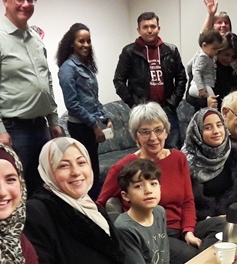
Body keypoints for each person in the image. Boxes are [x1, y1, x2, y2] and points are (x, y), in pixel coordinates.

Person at [24, 138, 133, 264]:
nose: (76, 172)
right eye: (64, 166)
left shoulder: (92, 207)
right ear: (48, 170)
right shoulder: (37, 211)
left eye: (81, 163)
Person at [0, 0, 61, 191]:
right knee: (16, 189)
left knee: (44, 186)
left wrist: (53, 119)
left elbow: (46, 80)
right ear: (6, 0)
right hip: (13, 128)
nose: (26, 4)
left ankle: (37, 226)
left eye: (31, 0)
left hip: (40, 125)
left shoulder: (35, 37)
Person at [96, 102, 207, 264]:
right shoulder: (124, 167)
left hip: (182, 228)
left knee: (223, 229)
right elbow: (100, 205)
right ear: (136, 136)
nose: (153, 138)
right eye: (145, 132)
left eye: (158, 129)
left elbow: (187, 201)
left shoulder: (178, 158)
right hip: (153, 236)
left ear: (166, 131)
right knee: (195, 257)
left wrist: (189, 231)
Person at [112, 11, 187, 149]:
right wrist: (134, 104)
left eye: (153, 26)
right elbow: (119, 81)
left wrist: (172, 103)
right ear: (138, 30)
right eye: (145, 27)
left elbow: (181, 78)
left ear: (158, 28)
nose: (149, 30)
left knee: (173, 149)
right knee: (147, 151)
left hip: (166, 109)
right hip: (143, 111)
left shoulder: (170, 50)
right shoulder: (129, 52)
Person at [56, 22, 110, 197]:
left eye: (88, 41)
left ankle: (96, 205)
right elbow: (73, 105)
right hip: (81, 127)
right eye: (81, 41)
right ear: (72, 43)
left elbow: (92, 99)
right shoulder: (67, 69)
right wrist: (95, 126)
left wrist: (106, 118)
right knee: (87, 170)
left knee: (93, 169)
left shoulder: (85, 65)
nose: (86, 45)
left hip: (91, 124)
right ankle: (90, 206)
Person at [113, 159, 170, 264]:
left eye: (153, 184)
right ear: (126, 196)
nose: (148, 190)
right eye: (138, 186)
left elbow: (164, 256)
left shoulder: (159, 212)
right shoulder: (124, 228)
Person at [183, 108, 237, 222]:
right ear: (197, 132)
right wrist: (207, 218)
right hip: (199, 223)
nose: (216, 131)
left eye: (219, 125)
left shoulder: (234, 156)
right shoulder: (185, 162)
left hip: (232, 220)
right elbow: (185, 205)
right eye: (208, 127)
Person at [179, 29, 226, 136]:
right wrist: (200, 87)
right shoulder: (203, 57)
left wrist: (190, 73)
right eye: (214, 49)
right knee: (213, 100)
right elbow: (196, 71)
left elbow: (189, 66)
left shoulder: (201, 54)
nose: (216, 52)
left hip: (201, 84)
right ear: (204, 45)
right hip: (200, 86)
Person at [213, 32, 237, 99]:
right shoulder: (206, 67)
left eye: (233, 57)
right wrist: (206, 101)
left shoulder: (234, 73)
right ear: (218, 51)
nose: (229, 59)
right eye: (226, 55)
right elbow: (190, 97)